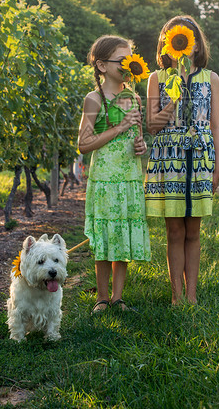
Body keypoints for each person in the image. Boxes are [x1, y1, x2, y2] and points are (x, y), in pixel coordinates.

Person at [145, 16, 219, 305]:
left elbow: (216, 126)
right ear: (167, 44)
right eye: (176, 39)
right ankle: (176, 296)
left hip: (200, 157)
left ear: (196, 43)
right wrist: (173, 97)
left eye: (188, 38)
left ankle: (192, 296)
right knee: (174, 230)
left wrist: (217, 166)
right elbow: (152, 125)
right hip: (169, 158)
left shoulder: (210, 78)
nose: (183, 45)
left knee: (194, 231)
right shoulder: (158, 78)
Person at [78, 35, 151, 313]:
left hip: (130, 178)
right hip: (106, 179)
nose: (128, 64)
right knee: (106, 237)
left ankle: (118, 298)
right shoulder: (94, 99)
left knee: (123, 237)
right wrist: (119, 128)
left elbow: (138, 139)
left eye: (131, 59)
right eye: (122, 60)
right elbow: (83, 144)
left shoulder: (133, 97)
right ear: (101, 65)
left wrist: (140, 145)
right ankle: (101, 298)